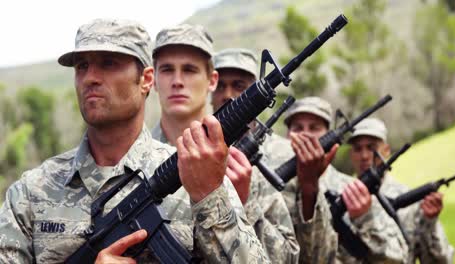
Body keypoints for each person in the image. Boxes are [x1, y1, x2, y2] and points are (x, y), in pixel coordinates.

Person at [0, 18, 268, 263]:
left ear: (146, 80)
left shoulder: (197, 176)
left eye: (108, 63)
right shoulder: (30, 193)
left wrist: (210, 198)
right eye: (82, 66)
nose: (90, 78)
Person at [152, 24, 297, 262]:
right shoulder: (125, 159)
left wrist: (243, 203)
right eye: (167, 69)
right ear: (153, 79)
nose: (177, 81)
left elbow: (289, 258)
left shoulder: (239, 166)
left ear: (211, 80)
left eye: (189, 70)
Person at [281, 97, 409, 263]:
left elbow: (399, 258)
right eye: (297, 128)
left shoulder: (352, 190)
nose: (305, 134)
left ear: (329, 136)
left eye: (314, 128)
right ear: (286, 135)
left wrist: (366, 217)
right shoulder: (269, 187)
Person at [212, 48, 300, 263]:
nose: (228, 95)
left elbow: (290, 255)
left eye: (239, 86)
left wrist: (244, 203)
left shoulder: (286, 153)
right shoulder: (189, 148)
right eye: (220, 86)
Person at [348, 118, 455, 263]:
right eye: (358, 149)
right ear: (351, 154)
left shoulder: (411, 200)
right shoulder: (338, 195)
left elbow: (438, 261)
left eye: (372, 148)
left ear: (386, 151)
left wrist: (430, 223)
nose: (364, 156)